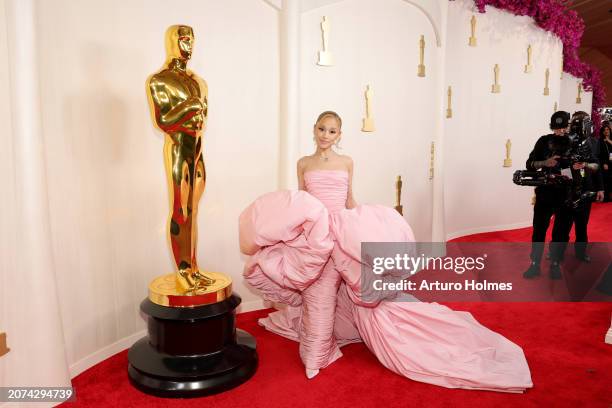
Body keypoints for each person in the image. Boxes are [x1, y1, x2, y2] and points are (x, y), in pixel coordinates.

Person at [239, 111, 532, 392]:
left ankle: (376, 336)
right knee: (319, 295)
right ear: (314, 129)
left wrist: (366, 224)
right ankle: (315, 357)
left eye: (332, 130)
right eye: (321, 129)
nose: (325, 135)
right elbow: (302, 199)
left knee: (365, 291)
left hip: (343, 230)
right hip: (316, 238)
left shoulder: (346, 161)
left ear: (340, 134)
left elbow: (349, 197)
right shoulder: (303, 163)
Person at [523, 111, 581, 280]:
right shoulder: (543, 141)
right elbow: (529, 164)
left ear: (568, 126)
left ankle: (555, 263)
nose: (560, 131)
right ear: (552, 127)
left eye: (563, 127)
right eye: (556, 128)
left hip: (566, 194)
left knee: (561, 232)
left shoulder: (575, 143)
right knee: (539, 230)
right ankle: (534, 264)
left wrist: (579, 167)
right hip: (545, 193)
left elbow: (584, 167)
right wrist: (544, 163)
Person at [568, 111, 604, 262]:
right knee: (563, 225)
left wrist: (601, 188)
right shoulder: (565, 142)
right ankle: (556, 251)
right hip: (568, 190)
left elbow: (597, 167)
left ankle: (581, 253)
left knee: (582, 225)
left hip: (586, 189)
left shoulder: (594, 142)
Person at [600, 124, 612, 202]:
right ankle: (607, 196)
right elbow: (600, 153)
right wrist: (604, 163)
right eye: (605, 130)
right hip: (606, 163)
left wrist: (608, 141)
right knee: (607, 180)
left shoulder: (610, 139)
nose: (606, 131)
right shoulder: (600, 141)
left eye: (607, 129)